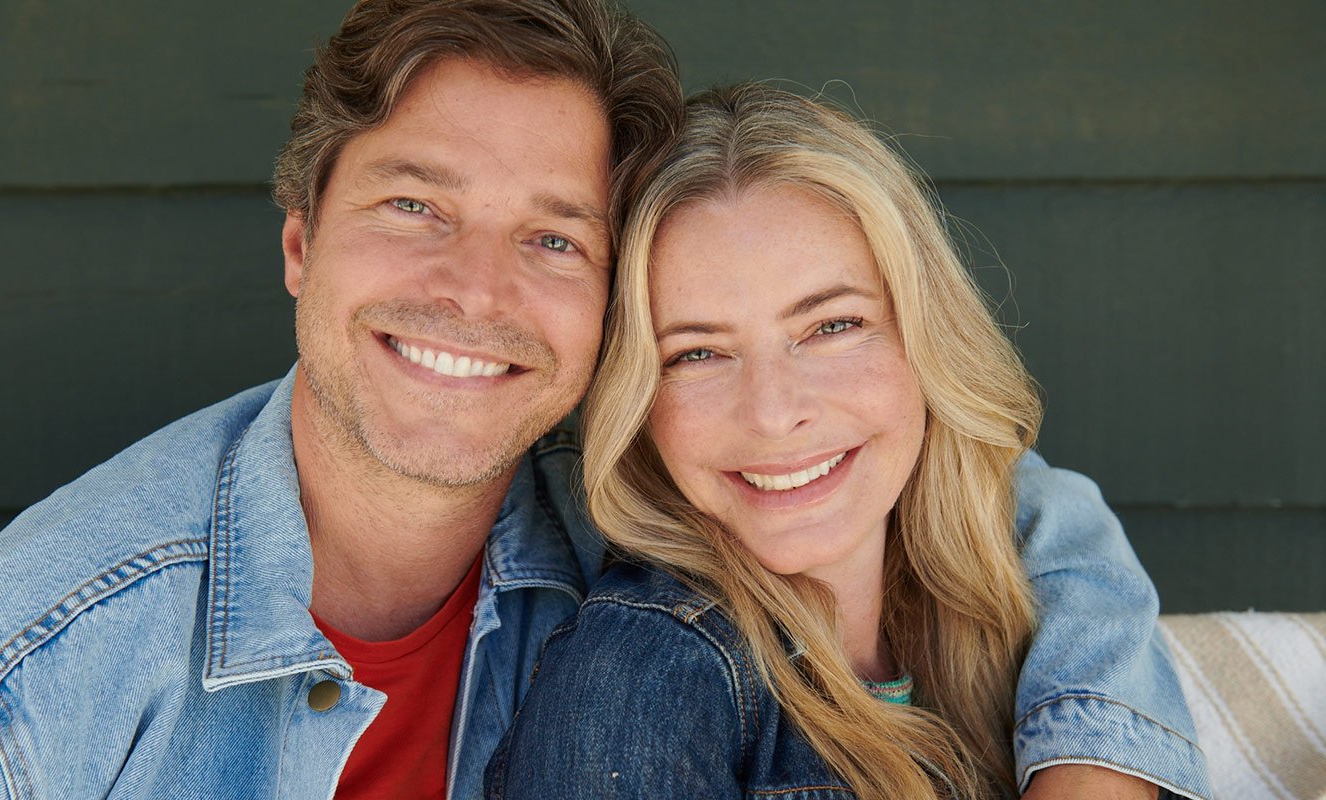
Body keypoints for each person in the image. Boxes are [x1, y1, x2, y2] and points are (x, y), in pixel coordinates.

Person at [0, 3, 1201, 798]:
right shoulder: (16, 676)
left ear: (604, 325)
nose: (476, 292)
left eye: (551, 239)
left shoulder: (642, 497)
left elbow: (988, 499)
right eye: (416, 207)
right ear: (298, 243)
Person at [484, 83, 1210, 799]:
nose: (772, 414)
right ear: (637, 402)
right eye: (696, 353)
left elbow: (1042, 503)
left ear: (928, 337)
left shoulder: (1008, 601)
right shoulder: (642, 681)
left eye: (832, 326)